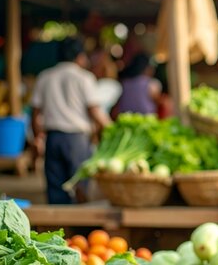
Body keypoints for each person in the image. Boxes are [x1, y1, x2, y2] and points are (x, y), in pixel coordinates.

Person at [30, 37, 111, 204]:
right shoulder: (84, 78)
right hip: (77, 140)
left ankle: (59, 228)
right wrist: (112, 128)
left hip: (52, 138)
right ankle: (80, 227)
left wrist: (38, 137)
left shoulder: (45, 76)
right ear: (80, 56)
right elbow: (94, 111)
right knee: (80, 187)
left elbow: (35, 113)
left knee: (55, 189)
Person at [113, 52, 162, 117]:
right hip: (147, 119)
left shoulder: (124, 83)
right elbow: (158, 100)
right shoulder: (151, 83)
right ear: (147, 68)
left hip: (126, 118)